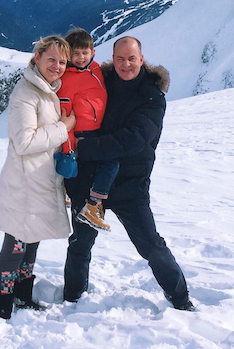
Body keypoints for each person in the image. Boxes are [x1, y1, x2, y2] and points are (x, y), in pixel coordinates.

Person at [63, 36, 194, 311]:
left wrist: (86, 148)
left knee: (151, 246)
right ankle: (72, 297)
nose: (126, 64)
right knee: (80, 244)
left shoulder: (152, 96)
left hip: (129, 186)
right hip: (89, 182)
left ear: (141, 59)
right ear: (112, 59)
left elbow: (134, 139)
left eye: (131, 58)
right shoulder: (100, 80)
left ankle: (181, 298)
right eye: (120, 59)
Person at [0, 35, 77, 320]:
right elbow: (24, 142)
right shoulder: (26, 93)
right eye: (51, 59)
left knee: (32, 240)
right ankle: (2, 300)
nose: (57, 66)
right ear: (36, 57)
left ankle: (22, 294)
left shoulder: (46, 91)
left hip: (39, 182)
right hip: (23, 184)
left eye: (62, 61)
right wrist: (64, 127)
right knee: (16, 245)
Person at [58, 28, 118, 232]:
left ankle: (72, 191)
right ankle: (93, 205)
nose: (81, 57)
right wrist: (68, 148)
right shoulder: (67, 79)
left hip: (98, 130)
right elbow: (64, 115)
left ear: (93, 52)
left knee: (105, 165)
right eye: (75, 53)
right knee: (110, 163)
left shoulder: (96, 70)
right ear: (68, 55)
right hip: (84, 135)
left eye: (85, 52)